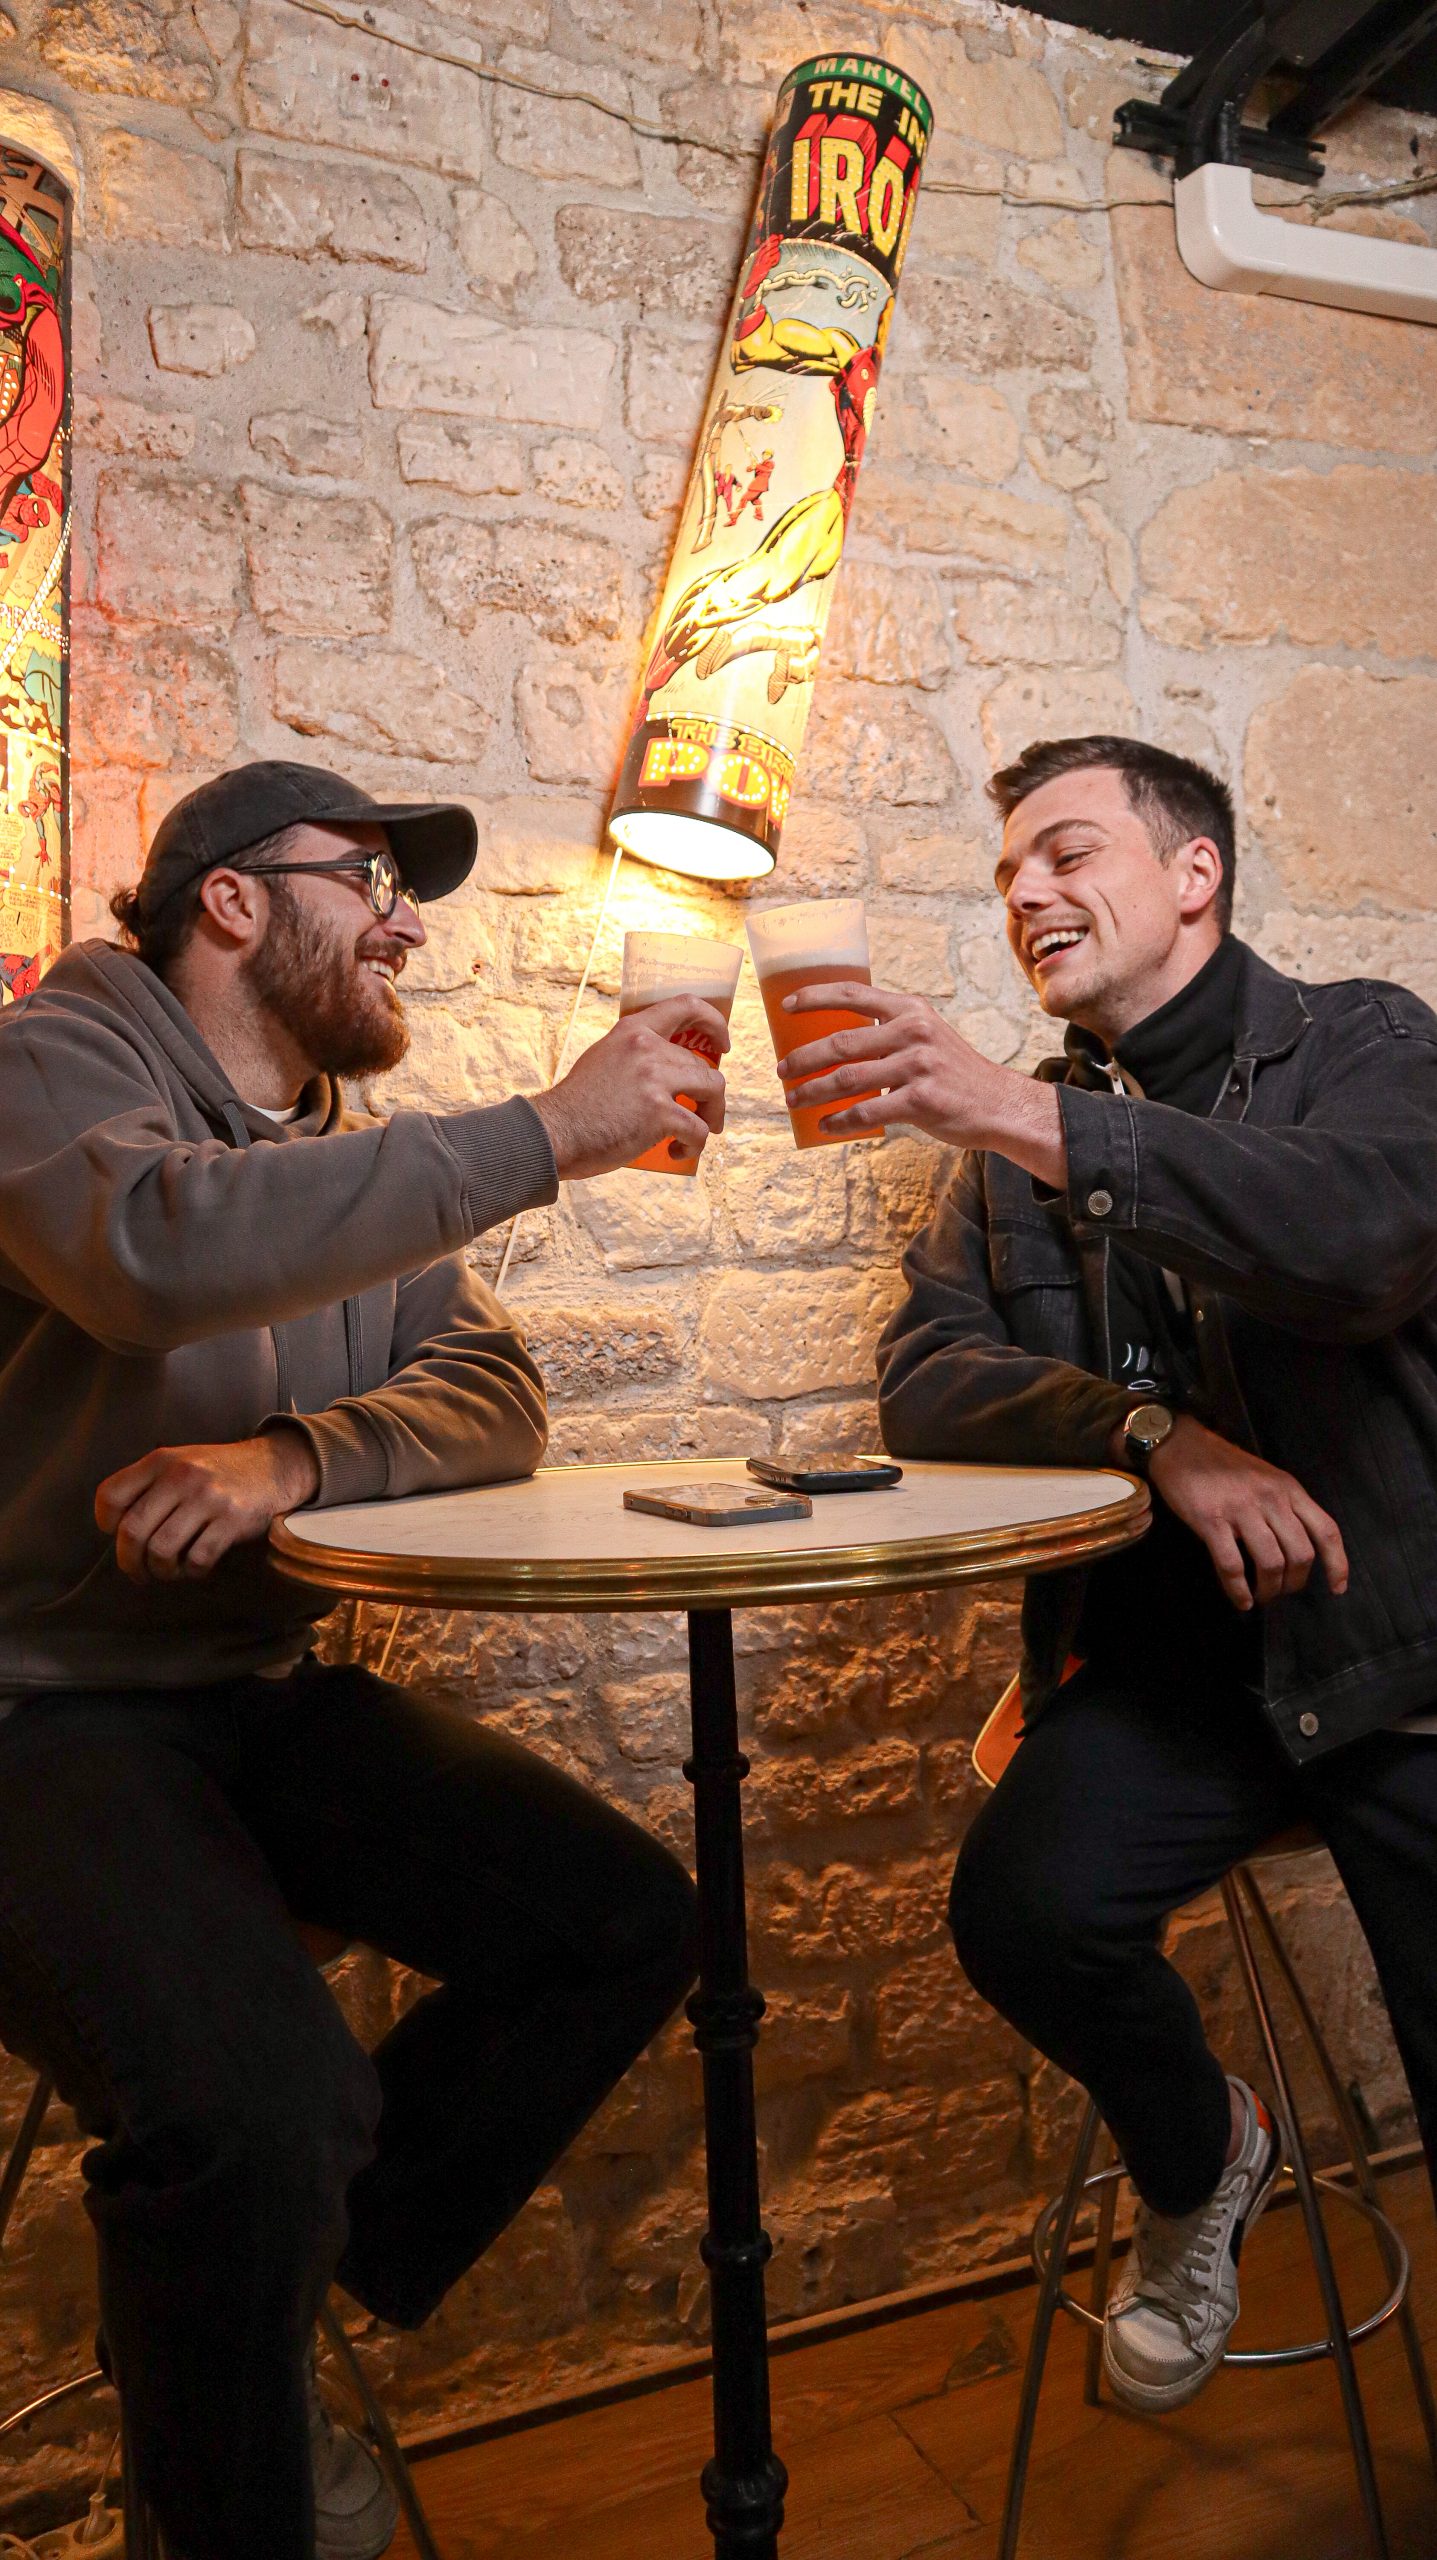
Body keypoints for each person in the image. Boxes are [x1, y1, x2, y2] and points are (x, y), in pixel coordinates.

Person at [0, 760, 729, 2560]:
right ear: (233, 899)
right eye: (372, 881)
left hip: (246, 1696)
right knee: (261, 2117)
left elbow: (493, 1391)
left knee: (626, 1922)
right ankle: (223, 2415)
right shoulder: (43, 1069)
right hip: (31, 1713)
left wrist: (291, 1462)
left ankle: (246, 2328)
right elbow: (150, 1253)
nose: (409, 924)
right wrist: (544, 1134)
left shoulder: (340, 1162)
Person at [776, 732, 1437, 2414]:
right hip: (1181, 1675)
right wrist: (1152, 1434)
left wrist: (1019, 1114)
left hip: (1402, 1653)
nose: (1025, 893)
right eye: (1006, 873)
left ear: (1192, 873)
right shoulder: (1024, 1135)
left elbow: (1360, 1242)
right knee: (1022, 1910)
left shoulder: (1359, 1040)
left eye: (1065, 854)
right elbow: (926, 1370)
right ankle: (1202, 2151)